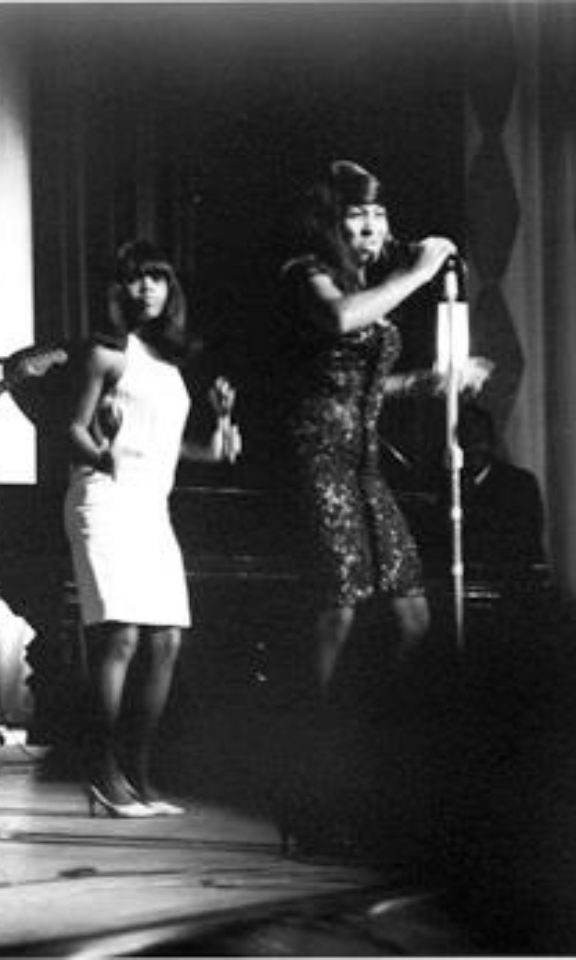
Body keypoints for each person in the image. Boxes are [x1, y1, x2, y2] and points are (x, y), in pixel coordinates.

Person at [277, 160, 491, 694]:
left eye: (378, 213)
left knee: (412, 611)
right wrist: (416, 274)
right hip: (318, 457)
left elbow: (358, 382)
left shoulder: (368, 285)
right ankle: (310, 737)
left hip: (365, 464)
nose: (372, 226)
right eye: (356, 214)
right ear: (331, 223)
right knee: (338, 608)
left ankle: (381, 730)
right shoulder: (305, 274)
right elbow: (342, 319)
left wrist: (424, 382)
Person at [63, 239, 241, 818]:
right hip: (105, 499)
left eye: (158, 279)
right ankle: (101, 770)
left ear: (171, 290)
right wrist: (101, 455)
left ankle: (139, 771)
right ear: (120, 289)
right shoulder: (106, 353)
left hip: (151, 506)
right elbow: (71, 430)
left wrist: (216, 441)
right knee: (121, 637)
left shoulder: (170, 362)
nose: (148, 289)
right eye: (137, 279)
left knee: (167, 640)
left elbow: (170, 447)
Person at [453, 402, 545, 570]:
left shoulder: (520, 484)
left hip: (508, 581)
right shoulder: (447, 486)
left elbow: (525, 542)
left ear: (492, 441)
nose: (473, 447)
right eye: (466, 439)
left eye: (479, 439)